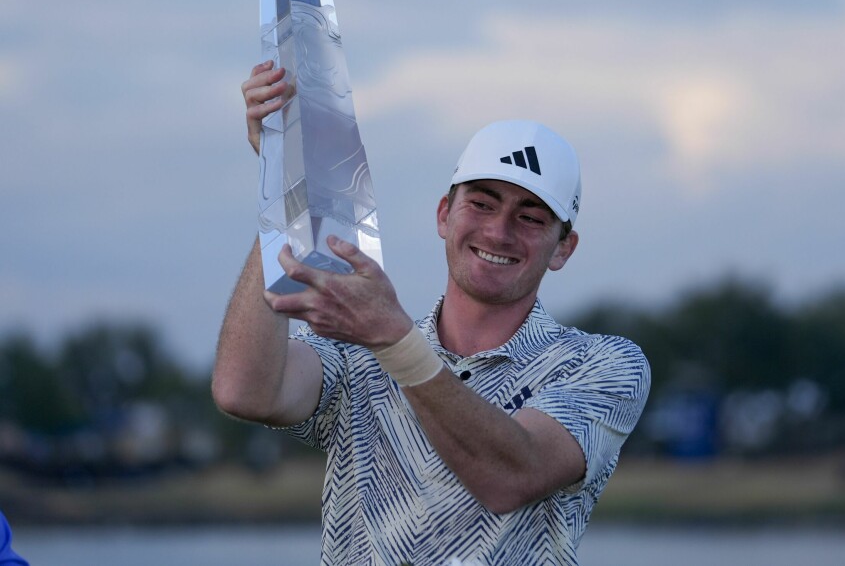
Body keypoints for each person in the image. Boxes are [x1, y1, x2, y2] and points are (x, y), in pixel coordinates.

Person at [213, 60, 651, 566]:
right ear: (445, 214)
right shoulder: (358, 353)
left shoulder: (603, 364)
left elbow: (514, 475)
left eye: (530, 218)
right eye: (482, 204)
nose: (499, 232)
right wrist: (283, 179)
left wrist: (395, 341)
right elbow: (244, 391)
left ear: (563, 248)